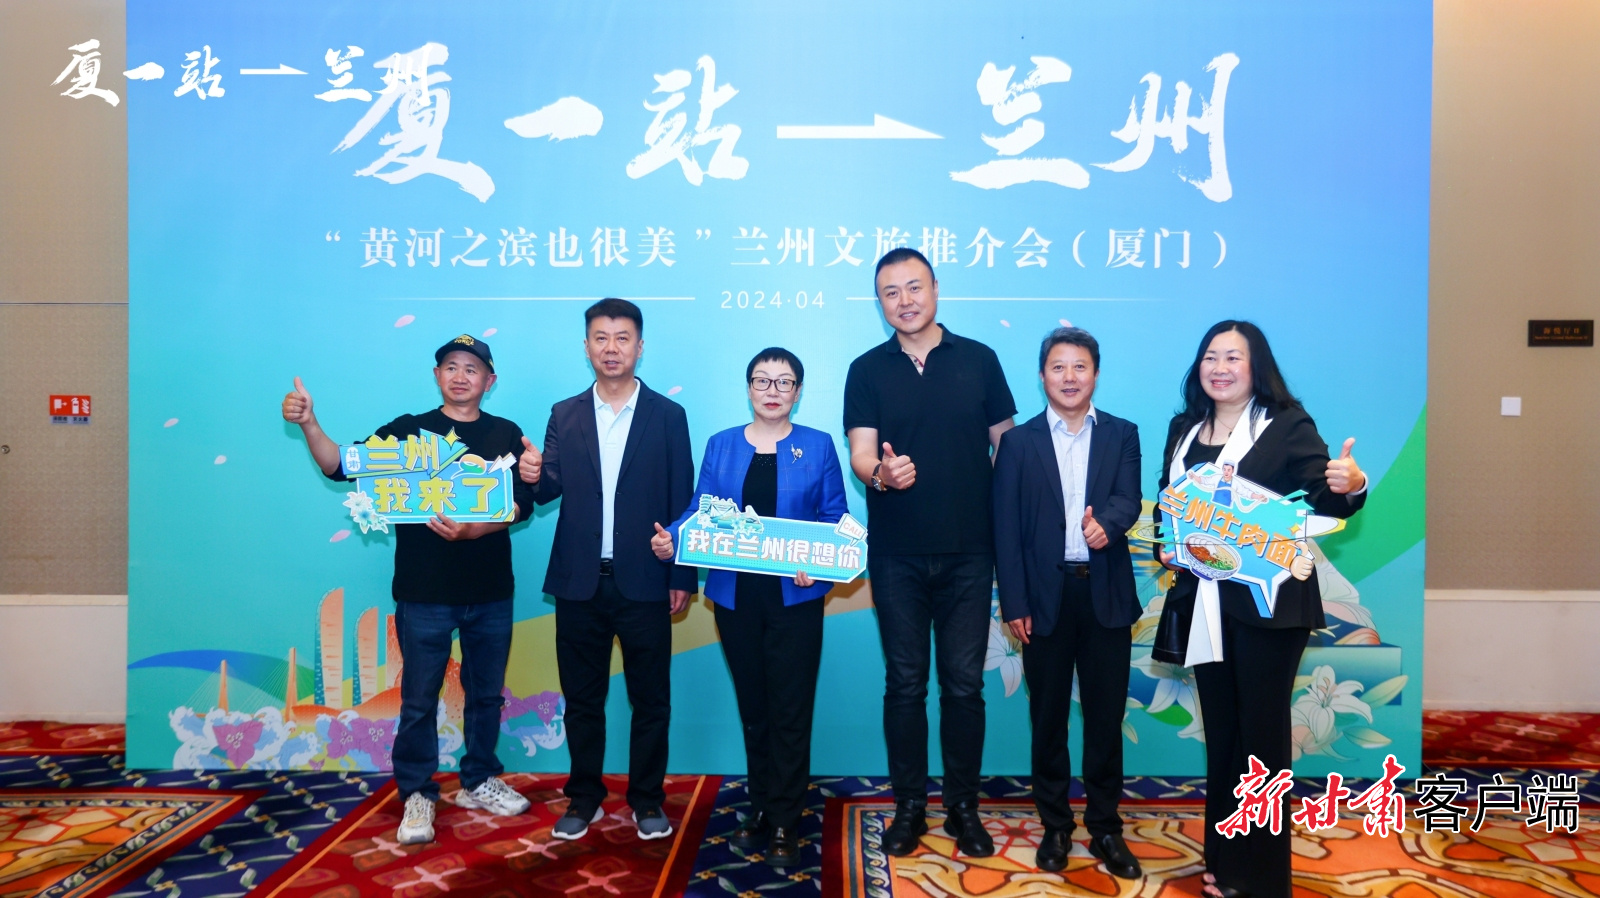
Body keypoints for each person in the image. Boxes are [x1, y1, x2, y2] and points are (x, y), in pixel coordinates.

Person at [281, 334, 534, 845]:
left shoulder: (506, 433)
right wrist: (309, 423)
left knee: (486, 695)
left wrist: (477, 527)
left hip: (490, 592)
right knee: (419, 699)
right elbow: (339, 465)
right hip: (424, 592)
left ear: (490, 381)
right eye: (451, 366)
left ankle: (479, 779)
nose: (461, 376)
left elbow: (522, 504)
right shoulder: (406, 433)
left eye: (472, 368)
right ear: (437, 375)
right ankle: (417, 792)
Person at [1153, 321, 1367, 898]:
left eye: (1233, 357)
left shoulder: (1286, 424)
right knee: (1223, 735)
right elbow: (1170, 507)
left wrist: (1351, 483)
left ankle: (1264, 879)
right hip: (1204, 604)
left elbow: (1325, 498)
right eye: (1210, 356)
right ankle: (1226, 863)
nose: (1219, 367)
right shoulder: (1183, 428)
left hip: (1270, 609)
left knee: (1261, 743)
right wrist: (1166, 545)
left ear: (1257, 367)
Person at [843, 247, 1017, 858]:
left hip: (971, 552)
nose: (905, 300)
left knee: (964, 687)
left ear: (936, 289)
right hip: (897, 556)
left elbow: (1008, 447)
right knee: (905, 684)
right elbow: (861, 453)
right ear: (880, 303)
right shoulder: (867, 370)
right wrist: (882, 475)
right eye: (891, 292)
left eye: (914, 287)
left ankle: (963, 809)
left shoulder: (979, 359)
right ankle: (910, 807)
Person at [650, 347, 848, 867]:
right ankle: (761, 806)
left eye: (784, 382)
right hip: (735, 597)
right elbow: (699, 512)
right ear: (748, 388)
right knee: (755, 708)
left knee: (790, 710)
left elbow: (835, 518)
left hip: (795, 597)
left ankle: (785, 819)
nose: (772, 391)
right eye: (762, 380)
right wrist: (672, 539)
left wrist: (819, 563)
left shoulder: (818, 445)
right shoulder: (721, 445)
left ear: (798, 392)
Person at [518, 298, 695, 842]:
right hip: (579, 581)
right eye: (601, 337)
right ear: (587, 346)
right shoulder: (565, 413)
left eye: (622, 338)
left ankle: (647, 800)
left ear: (640, 346)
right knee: (582, 699)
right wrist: (532, 473)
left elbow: (683, 500)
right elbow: (547, 489)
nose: (611, 348)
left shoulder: (668, 415)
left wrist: (681, 576)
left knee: (651, 701)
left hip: (645, 581)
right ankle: (584, 797)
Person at [993, 327, 1143, 878]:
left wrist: (1110, 524)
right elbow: (1005, 529)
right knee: (1048, 719)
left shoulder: (1122, 433)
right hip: (1043, 601)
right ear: (1042, 377)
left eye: (1080, 367)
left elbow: (1129, 496)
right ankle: (1055, 826)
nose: (1070, 377)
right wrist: (1015, 602)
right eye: (1058, 367)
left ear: (1095, 374)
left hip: (1105, 595)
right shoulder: (1018, 443)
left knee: (1105, 719)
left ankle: (1105, 828)